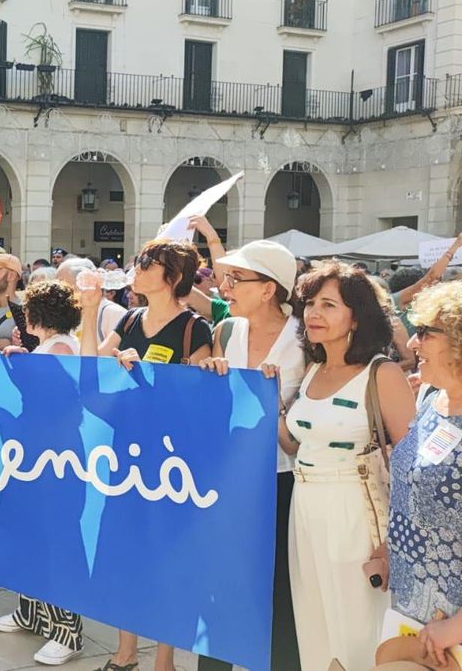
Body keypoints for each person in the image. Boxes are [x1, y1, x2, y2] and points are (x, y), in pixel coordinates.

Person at [79, 239, 212, 671]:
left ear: (172, 277)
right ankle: (125, 651)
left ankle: (165, 659)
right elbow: (91, 370)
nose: (136, 269)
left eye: (147, 264)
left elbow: (196, 400)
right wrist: (89, 309)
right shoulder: (132, 319)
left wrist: (149, 373)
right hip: (124, 457)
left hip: (172, 464)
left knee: (166, 560)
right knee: (123, 553)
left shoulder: (195, 328)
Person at [276, 261, 415, 671]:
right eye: (310, 304)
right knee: (314, 627)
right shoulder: (314, 369)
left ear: (357, 315)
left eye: (329, 305)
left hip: (355, 513)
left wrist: (393, 543)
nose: (313, 313)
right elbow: (295, 444)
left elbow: (411, 466)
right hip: (304, 509)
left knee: (359, 631)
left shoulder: (382, 373)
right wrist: (271, 400)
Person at [194, 240, 305, 671]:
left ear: (269, 288)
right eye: (227, 277)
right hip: (228, 479)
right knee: (218, 586)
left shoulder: (305, 337)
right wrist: (207, 376)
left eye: (237, 279)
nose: (226, 286)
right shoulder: (225, 331)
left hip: (283, 479)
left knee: (279, 592)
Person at [0, 279, 85, 666]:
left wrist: (22, 365)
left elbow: (54, 401)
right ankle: (31, 611)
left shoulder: (60, 347)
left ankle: (67, 630)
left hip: (55, 454)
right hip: (34, 450)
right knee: (26, 529)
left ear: (37, 313)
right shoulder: (50, 347)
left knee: (56, 534)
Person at [380, 281, 462, 668]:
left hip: (452, 625)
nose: (412, 344)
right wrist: (389, 547)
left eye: (426, 333)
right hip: (412, 604)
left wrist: (458, 627)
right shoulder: (431, 398)